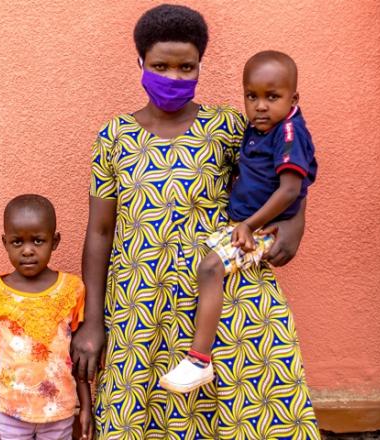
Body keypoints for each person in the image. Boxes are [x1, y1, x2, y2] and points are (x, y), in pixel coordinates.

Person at [71, 4, 321, 438]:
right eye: (160, 66)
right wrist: (93, 319)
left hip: (223, 296)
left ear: (200, 66)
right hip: (140, 304)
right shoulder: (114, 137)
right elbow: (99, 231)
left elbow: (287, 172)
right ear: (140, 64)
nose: (173, 76)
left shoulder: (227, 127)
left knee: (238, 414)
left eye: (186, 66)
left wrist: (296, 224)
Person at [161, 50, 318, 393]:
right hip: (249, 222)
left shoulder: (289, 133)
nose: (260, 106)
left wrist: (248, 225)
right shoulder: (261, 127)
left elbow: (291, 189)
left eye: (272, 97)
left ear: (293, 98)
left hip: (263, 229)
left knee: (209, 269)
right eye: (252, 96)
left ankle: (199, 359)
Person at [0, 194, 92, 440]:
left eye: (38, 241)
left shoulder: (72, 290)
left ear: (54, 241)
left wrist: (86, 405)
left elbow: (78, 357)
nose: (27, 251)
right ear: (5, 242)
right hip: (9, 410)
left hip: (59, 410)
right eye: (17, 242)